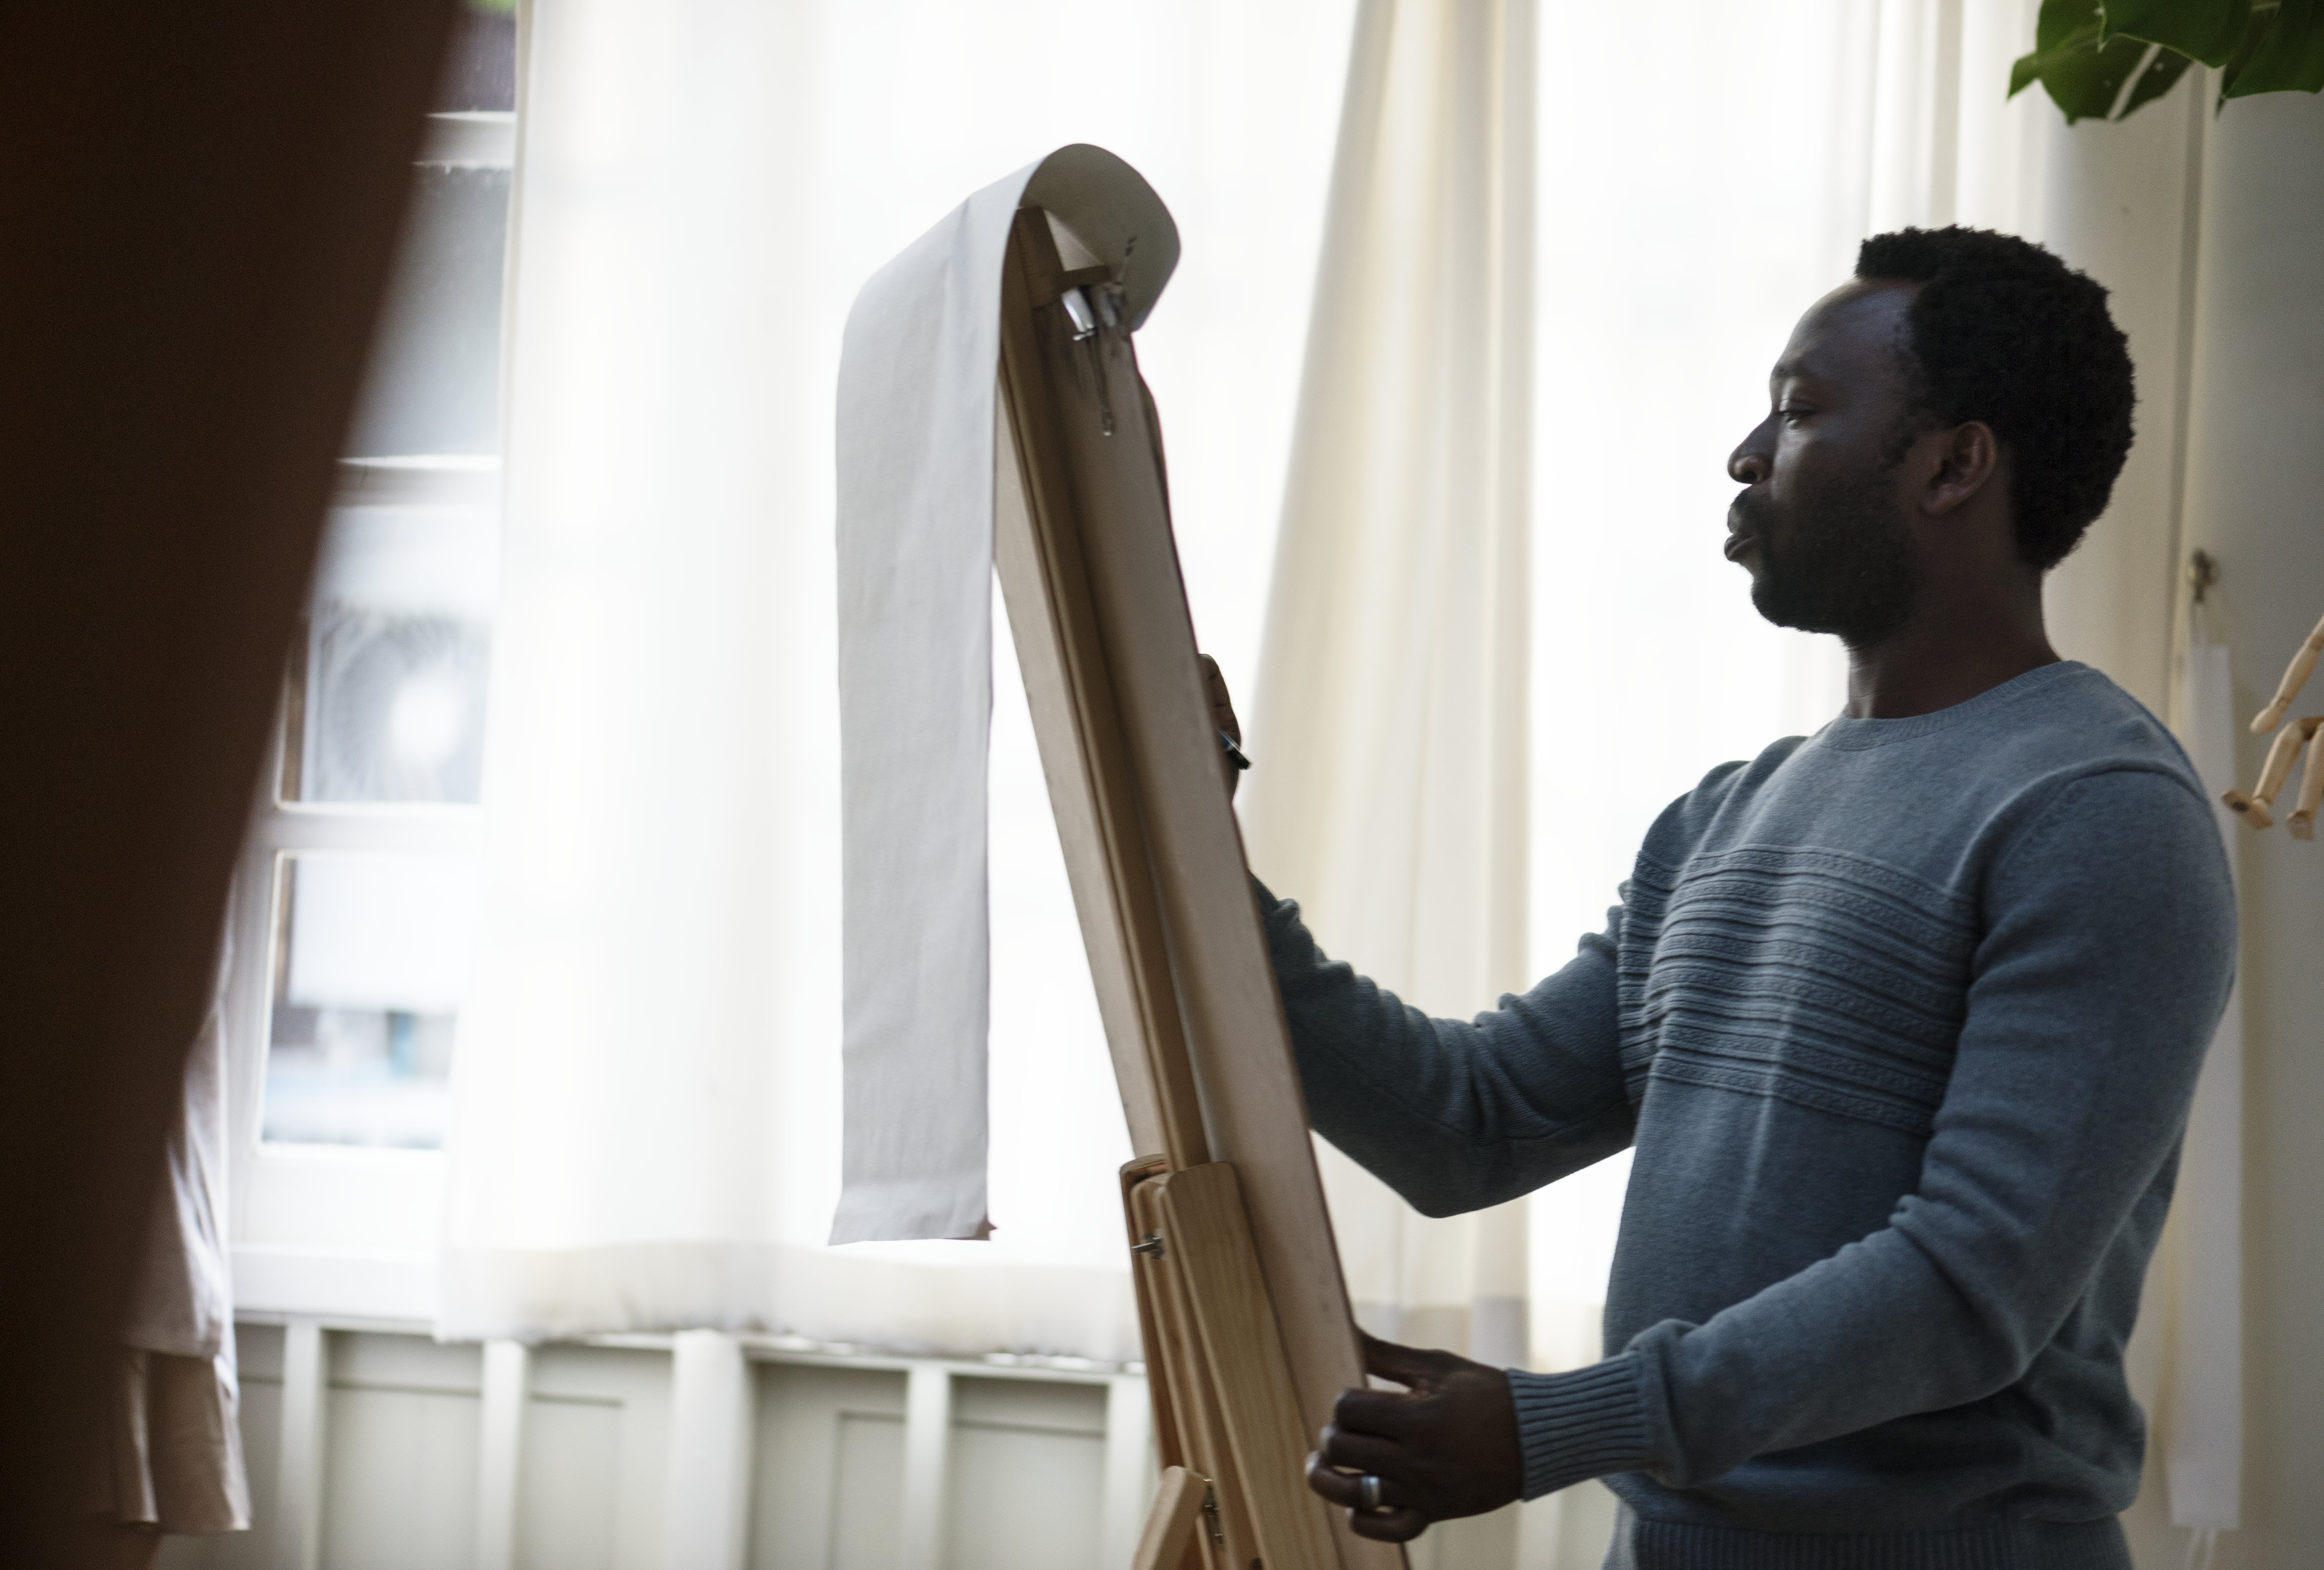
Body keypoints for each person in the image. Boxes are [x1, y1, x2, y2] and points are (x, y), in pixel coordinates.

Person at [1210, 226, 2237, 1569]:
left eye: (1802, 410)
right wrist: (1201, 863)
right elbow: (1471, 1125)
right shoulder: (1721, 817)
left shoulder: (2099, 814)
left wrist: (1554, 1425)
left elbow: (1972, 1283)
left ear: (1953, 464)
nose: (1748, 455)